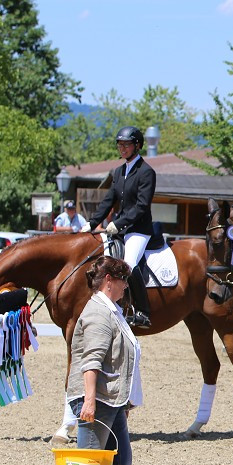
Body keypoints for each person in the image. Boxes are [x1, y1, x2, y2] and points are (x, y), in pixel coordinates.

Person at [27, 255, 142, 465]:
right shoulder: (98, 314)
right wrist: (89, 400)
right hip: (98, 399)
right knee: (86, 463)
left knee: (121, 458)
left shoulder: (112, 309)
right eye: (123, 281)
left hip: (112, 400)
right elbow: (92, 360)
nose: (127, 286)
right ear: (109, 281)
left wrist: (123, 400)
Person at [83, 126, 156, 328]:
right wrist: (91, 222)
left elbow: (142, 205)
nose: (122, 148)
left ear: (137, 145)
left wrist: (118, 223)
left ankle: (143, 311)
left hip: (139, 230)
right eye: (120, 144)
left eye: (126, 144)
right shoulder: (119, 171)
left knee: (128, 264)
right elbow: (109, 200)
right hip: (120, 228)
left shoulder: (146, 172)